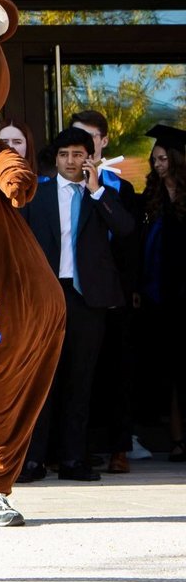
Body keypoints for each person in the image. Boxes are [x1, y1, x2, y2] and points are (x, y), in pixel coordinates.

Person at [22, 128, 137, 481]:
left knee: (80, 379)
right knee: (42, 379)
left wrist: (96, 188)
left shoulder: (99, 195)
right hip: (46, 295)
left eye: (78, 155)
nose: (71, 162)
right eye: (64, 155)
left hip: (87, 297)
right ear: (55, 159)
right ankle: (34, 459)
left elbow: (126, 229)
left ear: (89, 159)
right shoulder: (36, 195)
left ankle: (73, 459)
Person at [138, 127, 186, 460]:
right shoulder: (150, 200)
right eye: (155, 159)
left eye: (164, 158)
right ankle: (177, 440)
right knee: (172, 372)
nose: (158, 165)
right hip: (162, 298)